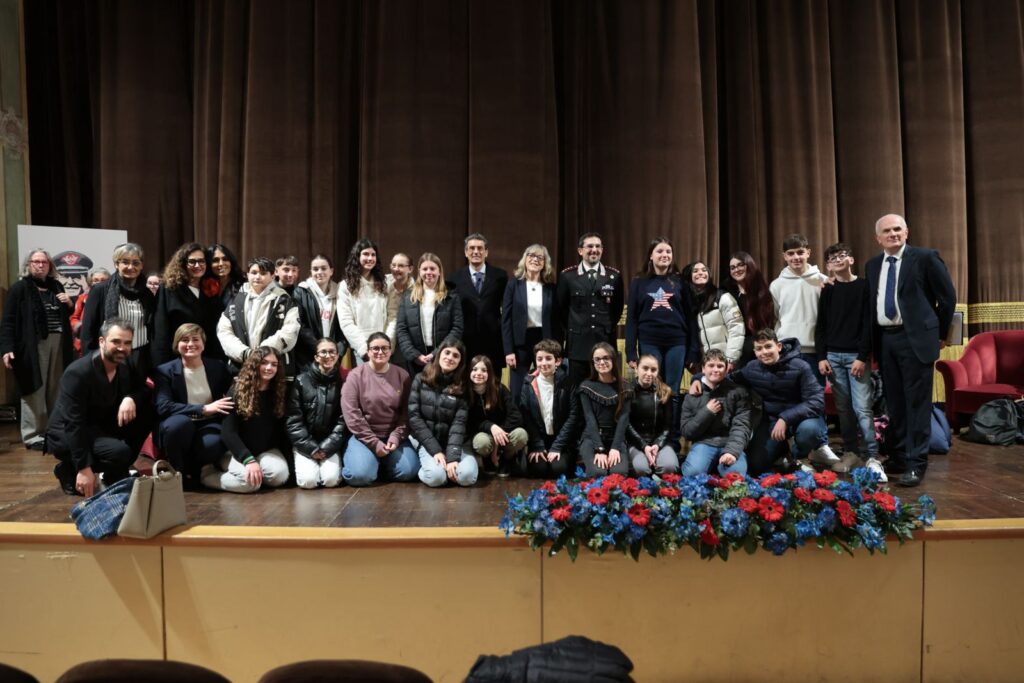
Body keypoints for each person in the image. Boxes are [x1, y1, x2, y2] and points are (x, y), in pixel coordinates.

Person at [865, 213, 956, 487]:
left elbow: (947, 297)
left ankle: (917, 463)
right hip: (886, 341)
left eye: (897, 229)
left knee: (917, 404)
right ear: (877, 238)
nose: (893, 234)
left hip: (916, 340)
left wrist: (938, 334)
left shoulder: (926, 257)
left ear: (907, 232)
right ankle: (900, 456)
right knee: (895, 403)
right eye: (887, 231)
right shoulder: (872, 265)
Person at [691, 329, 837, 476]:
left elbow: (816, 401)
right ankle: (782, 449)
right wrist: (698, 379)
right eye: (759, 349)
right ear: (754, 352)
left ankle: (800, 455)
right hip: (770, 421)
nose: (764, 352)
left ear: (778, 347)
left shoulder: (801, 366)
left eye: (768, 346)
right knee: (756, 464)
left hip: (802, 418)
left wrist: (786, 418)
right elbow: (726, 378)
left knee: (810, 431)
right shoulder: (752, 368)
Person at [47, 318, 150, 497]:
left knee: (148, 412)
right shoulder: (78, 372)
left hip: (97, 426)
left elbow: (142, 390)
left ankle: (115, 472)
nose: (122, 348)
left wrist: (130, 398)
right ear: (102, 341)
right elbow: (73, 423)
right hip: (67, 432)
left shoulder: (125, 365)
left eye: (127, 343)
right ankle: (69, 468)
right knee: (120, 451)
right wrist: (84, 468)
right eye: (116, 341)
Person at [815, 242, 882, 478]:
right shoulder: (828, 289)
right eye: (832, 258)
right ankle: (851, 452)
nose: (837, 260)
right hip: (833, 356)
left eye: (842, 256)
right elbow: (821, 325)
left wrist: (862, 357)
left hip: (855, 357)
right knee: (843, 409)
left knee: (862, 407)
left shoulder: (864, 286)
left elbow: (868, 325)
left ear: (851, 260)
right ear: (827, 265)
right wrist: (822, 356)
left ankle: (872, 455)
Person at [0, 249, 74, 450]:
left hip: (59, 342)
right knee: (34, 388)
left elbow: (64, 312)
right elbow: (8, 321)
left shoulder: (56, 285)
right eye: (36, 261)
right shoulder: (20, 288)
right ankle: (33, 435)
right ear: (28, 264)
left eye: (44, 262)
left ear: (50, 266)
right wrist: (6, 348)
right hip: (33, 345)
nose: (40, 265)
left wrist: (70, 304)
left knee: (55, 388)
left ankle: (53, 432)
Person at [201, 347, 290, 493]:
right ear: (254, 365)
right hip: (236, 451)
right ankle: (208, 476)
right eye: (264, 363)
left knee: (279, 477)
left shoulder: (278, 391)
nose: (269, 368)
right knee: (250, 484)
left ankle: (255, 476)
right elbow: (228, 433)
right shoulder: (237, 391)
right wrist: (248, 460)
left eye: (274, 364)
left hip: (264, 451)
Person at [153, 323, 233, 483]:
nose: (190, 344)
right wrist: (202, 409)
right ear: (177, 345)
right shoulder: (165, 371)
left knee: (214, 444)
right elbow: (164, 406)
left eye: (195, 339)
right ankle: (177, 475)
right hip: (180, 420)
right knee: (178, 426)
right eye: (184, 340)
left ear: (203, 344)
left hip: (210, 423)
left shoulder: (218, 367)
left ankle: (196, 471)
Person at [340, 332, 419, 486]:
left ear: (391, 351)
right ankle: (364, 461)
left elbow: (407, 413)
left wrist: (396, 436)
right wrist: (374, 443)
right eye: (375, 348)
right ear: (368, 351)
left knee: (409, 471)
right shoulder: (355, 376)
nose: (380, 352)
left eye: (385, 348)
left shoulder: (402, 375)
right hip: (364, 438)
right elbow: (351, 414)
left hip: (393, 439)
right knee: (360, 476)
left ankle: (378, 464)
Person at [624, 238, 698, 393]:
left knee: (673, 389)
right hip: (649, 341)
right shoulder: (639, 282)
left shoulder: (681, 282)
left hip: (677, 342)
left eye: (668, 251)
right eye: (660, 251)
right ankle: (656, 418)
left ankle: (673, 418)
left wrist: (693, 350)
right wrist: (630, 351)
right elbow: (631, 319)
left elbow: (691, 318)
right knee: (654, 387)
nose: (664, 254)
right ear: (650, 256)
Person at [556, 232, 624, 386]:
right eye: (590, 246)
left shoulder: (613, 276)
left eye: (598, 246)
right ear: (580, 251)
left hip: (604, 341)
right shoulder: (568, 276)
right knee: (576, 389)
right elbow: (561, 310)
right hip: (578, 343)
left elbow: (617, 309)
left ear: (602, 250)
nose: (594, 249)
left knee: (606, 387)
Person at [407, 339, 476, 487]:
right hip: (427, 441)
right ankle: (428, 467)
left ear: (460, 362)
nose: (450, 358)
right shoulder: (420, 379)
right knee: (436, 478)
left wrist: (452, 458)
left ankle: (444, 466)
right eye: (447, 353)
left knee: (467, 477)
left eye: (456, 356)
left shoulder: (462, 386)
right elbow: (414, 418)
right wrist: (436, 451)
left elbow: (458, 425)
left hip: (456, 442)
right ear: (439, 354)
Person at [80, 242, 156, 376]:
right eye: (125, 262)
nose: (130, 267)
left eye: (135, 263)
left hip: (141, 357)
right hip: (111, 356)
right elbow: (88, 331)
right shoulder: (100, 290)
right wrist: (91, 361)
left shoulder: (147, 294)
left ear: (142, 265)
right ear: (116, 264)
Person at [217, 256, 301, 373]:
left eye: (263, 273)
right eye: (254, 272)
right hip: (241, 366)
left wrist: (262, 353)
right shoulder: (237, 300)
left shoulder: (285, 300)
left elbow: (290, 332)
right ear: (247, 274)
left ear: (272, 276)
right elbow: (224, 332)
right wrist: (245, 353)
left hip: (272, 368)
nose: (257, 277)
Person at [286, 338, 348, 489]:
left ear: (338, 355)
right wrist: (311, 448)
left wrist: (327, 447)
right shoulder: (300, 381)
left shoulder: (343, 383)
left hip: (330, 444)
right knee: (308, 482)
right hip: (305, 443)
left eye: (332, 351)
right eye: (323, 352)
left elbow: (342, 421)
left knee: (331, 480)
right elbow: (294, 421)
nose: (328, 355)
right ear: (316, 357)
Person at [502, 244, 560, 404]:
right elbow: (505, 319)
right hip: (520, 343)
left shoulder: (551, 288)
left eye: (539, 257)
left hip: (545, 341)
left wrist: (556, 350)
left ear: (545, 263)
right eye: (531, 256)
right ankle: (518, 425)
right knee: (517, 389)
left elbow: (557, 321)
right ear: (525, 259)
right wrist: (509, 351)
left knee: (547, 387)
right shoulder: (514, 285)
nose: (535, 259)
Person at [769, 234, 829, 387]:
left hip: (816, 351)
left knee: (815, 398)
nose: (796, 257)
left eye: (800, 252)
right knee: (790, 398)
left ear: (808, 253)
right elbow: (776, 317)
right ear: (784, 256)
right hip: (787, 350)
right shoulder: (776, 285)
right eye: (790, 253)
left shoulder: (823, 281)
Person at [679, 349, 751, 477]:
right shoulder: (692, 395)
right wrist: (707, 412)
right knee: (692, 473)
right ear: (703, 368)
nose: (716, 369)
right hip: (704, 443)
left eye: (720, 366)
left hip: (730, 443)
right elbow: (687, 432)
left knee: (736, 477)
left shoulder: (738, 392)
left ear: (726, 368)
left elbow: (742, 426)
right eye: (711, 365)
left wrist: (732, 452)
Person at [153, 243, 224, 366]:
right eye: (192, 262)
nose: (197, 265)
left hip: (208, 359)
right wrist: (161, 365)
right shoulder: (169, 289)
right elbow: (160, 329)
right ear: (182, 264)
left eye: (202, 261)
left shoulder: (210, 289)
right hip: (176, 360)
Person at [518, 339, 579, 479]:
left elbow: (573, 416)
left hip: (561, 440)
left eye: (548, 359)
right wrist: (537, 445)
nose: (543, 363)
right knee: (539, 470)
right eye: (539, 359)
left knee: (559, 469)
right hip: (539, 439)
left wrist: (558, 446)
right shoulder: (528, 382)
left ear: (557, 361)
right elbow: (526, 415)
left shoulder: (568, 382)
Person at [449, 233, 508, 373]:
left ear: (486, 252)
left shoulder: (500, 276)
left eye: (480, 248)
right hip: (465, 341)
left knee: (493, 384)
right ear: (465, 252)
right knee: (465, 383)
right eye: (472, 248)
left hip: (493, 340)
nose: (476, 252)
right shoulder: (453, 279)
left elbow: (506, 308)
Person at [395, 253, 464, 373]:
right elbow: (401, 329)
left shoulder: (451, 296)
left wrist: (437, 353)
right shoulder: (408, 296)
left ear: (439, 271)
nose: (428, 272)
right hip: (415, 358)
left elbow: (457, 328)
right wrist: (414, 355)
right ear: (419, 271)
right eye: (425, 269)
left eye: (432, 268)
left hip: (443, 358)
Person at [466, 355, 527, 477]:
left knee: (521, 434)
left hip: (503, 432)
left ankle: (506, 459)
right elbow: (470, 423)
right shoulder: (465, 392)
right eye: (475, 369)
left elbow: (516, 416)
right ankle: (487, 459)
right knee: (481, 442)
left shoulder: (499, 388)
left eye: (484, 370)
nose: (479, 373)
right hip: (482, 433)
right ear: (469, 371)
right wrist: (491, 427)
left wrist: (498, 432)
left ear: (490, 373)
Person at [577, 342, 631, 477]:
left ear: (613, 359)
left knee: (618, 474)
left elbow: (624, 420)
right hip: (592, 438)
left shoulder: (626, 387)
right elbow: (589, 419)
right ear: (593, 363)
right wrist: (599, 449)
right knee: (597, 473)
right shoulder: (586, 387)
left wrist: (615, 447)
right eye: (597, 359)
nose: (602, 362)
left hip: (616, 437)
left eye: (606, 358)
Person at [682, 260, 745, 371]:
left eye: (704, 270)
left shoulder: (722, 297)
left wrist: (731, 358)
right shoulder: (688, 303)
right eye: (695, 271)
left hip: (725, 363)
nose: (700, 273)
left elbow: (736, 328)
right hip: (706, 366)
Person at [337, 240, 391, 365]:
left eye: (373, 255)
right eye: (366, 254)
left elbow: (391, 316)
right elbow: (346, 322)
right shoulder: (345, 286)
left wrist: (386, 345)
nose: (370, 258)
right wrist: (364, 349)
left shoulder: (384, 283)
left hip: (383, 348)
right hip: (362, 350)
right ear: (357, 256)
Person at [625, 354, 678, 476]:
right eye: (645, 368)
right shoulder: (627, 391)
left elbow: (667, 426)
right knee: (641, 469)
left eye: (653, 370)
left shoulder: (665, 392)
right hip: (636, 442)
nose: (649, 373)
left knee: (669, 467)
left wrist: (657, 445)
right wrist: (644, 446)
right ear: (636, 368)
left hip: (659, 441)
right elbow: (626, 424)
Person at [293, 254, 348, 370]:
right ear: (311, 272)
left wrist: (336, 351)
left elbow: (344, 326)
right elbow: (300, 325)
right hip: (308, 356)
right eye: (315, 269)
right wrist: (319, 348)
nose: (319, 272)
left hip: (333, 357)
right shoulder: (301, 292)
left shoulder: (340, 292)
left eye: (324, 268)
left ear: (331, 271)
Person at [723, 251, 776, 367]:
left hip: (760, 348)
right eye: (732, 268)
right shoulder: (726, 293)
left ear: (749, 265)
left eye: (740, 265)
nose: (736, 270)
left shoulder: (763, 292)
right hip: (736, 350)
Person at [69, 267, 110, 356]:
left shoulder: (112, 298)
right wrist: (82, 327)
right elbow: (74, 318)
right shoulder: (83, 298)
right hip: (86, 341)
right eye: (95, 280)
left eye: (103, 280)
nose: (99, 283)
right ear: (90, 282)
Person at [386, 252, 415, 371]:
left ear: (410, 269)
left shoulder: (417, 290)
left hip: (405, 343)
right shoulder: (383, 283)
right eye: (393, 265)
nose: (396, 269)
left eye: (401, 266)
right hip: (384, 338)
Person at [205, 243, 246, 309]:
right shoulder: (204, 285)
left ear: (231, 262)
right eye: (215, 260)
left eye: (225, 259)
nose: (221, 263)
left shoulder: (244, 284)